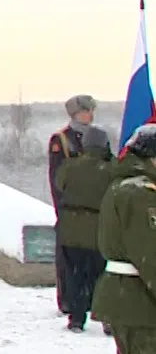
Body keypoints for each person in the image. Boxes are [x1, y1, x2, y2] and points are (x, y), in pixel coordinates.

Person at [91, 123, 156, 354]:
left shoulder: (122, 186)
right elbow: (151, 255)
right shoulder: (141, 193)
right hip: (139, 302)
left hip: (124, 298)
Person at [50, 94, 106, 315]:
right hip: (70, 211)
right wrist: (60, 211)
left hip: (91, 214)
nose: (90, 115)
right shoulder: (62, 140)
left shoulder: (97, 138)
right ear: (75, 113)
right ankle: (68, 302)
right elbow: (57, 179)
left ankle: (88, 301)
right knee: (69, 264)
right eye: (87, 111)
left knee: (91, 263)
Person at [54, 125, 112, 333]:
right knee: (101, 276)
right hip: (97, 230)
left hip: (70, 230)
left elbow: (59, 184)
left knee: (75, 275)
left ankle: (77, 319)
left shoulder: (70, 166)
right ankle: (106, 319)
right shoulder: (109, 169)